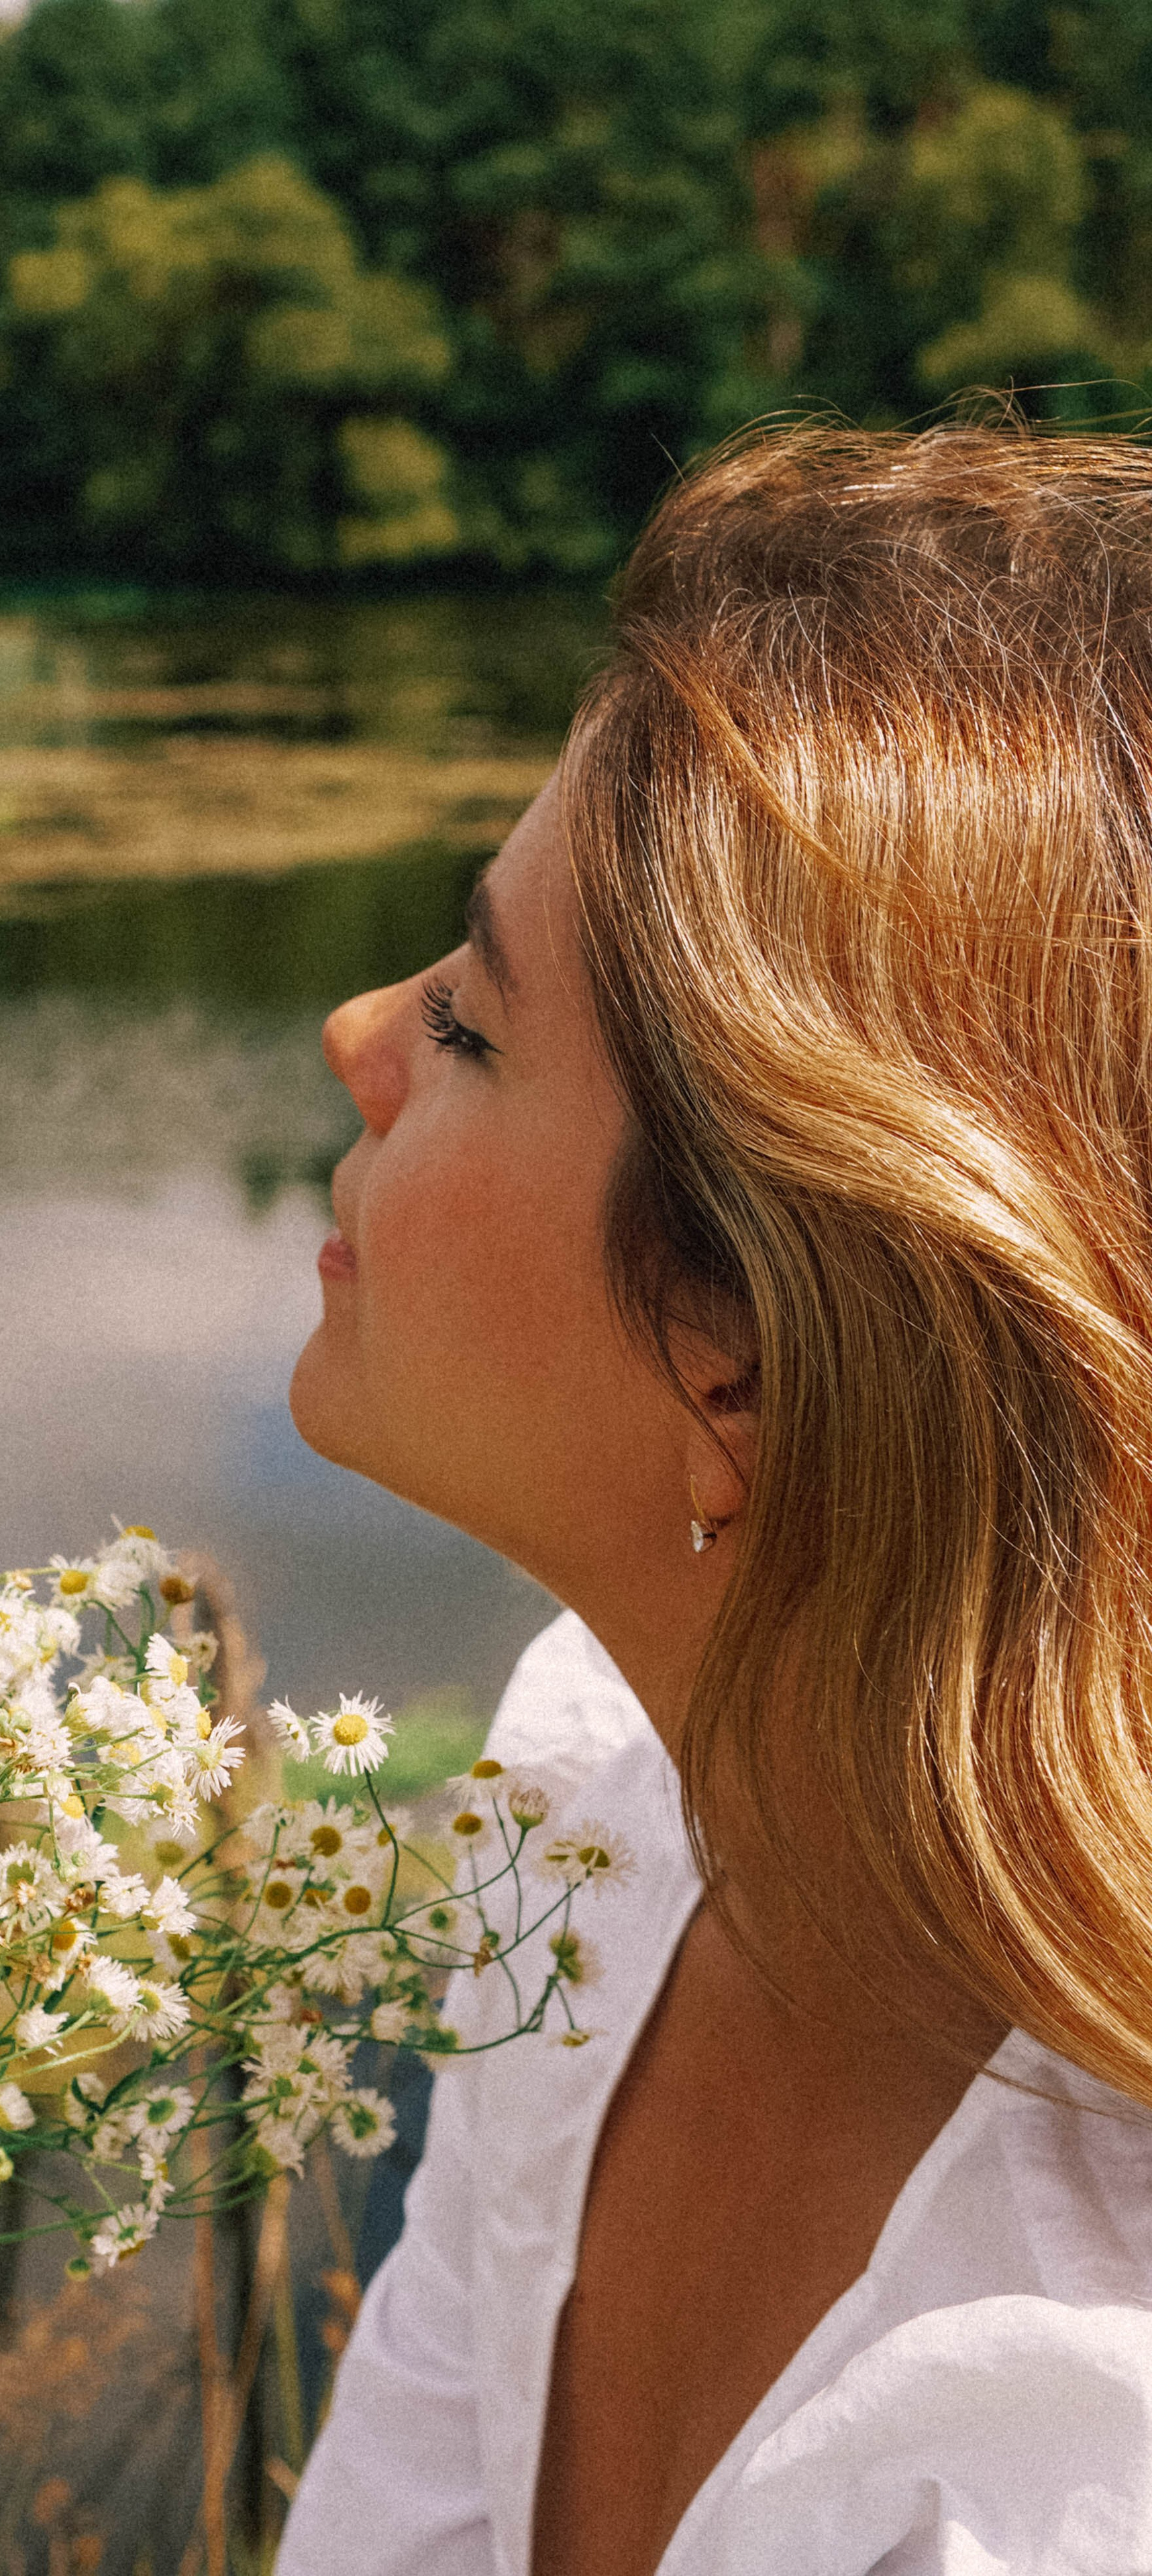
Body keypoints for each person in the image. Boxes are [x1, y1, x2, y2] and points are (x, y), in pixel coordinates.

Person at [276, 423, 1152, 2576]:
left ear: (741, 1350)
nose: (356, 1030)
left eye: (472, 1021)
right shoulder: (601, 1793)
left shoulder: (1059, 2472)